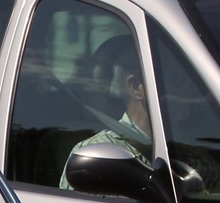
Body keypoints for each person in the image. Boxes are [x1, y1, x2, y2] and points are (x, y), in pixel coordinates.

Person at [60, 41, 153, 189]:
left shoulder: (183, 146)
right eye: (175, 79)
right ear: (136, 87)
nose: (188, 90)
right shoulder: (98, 153)